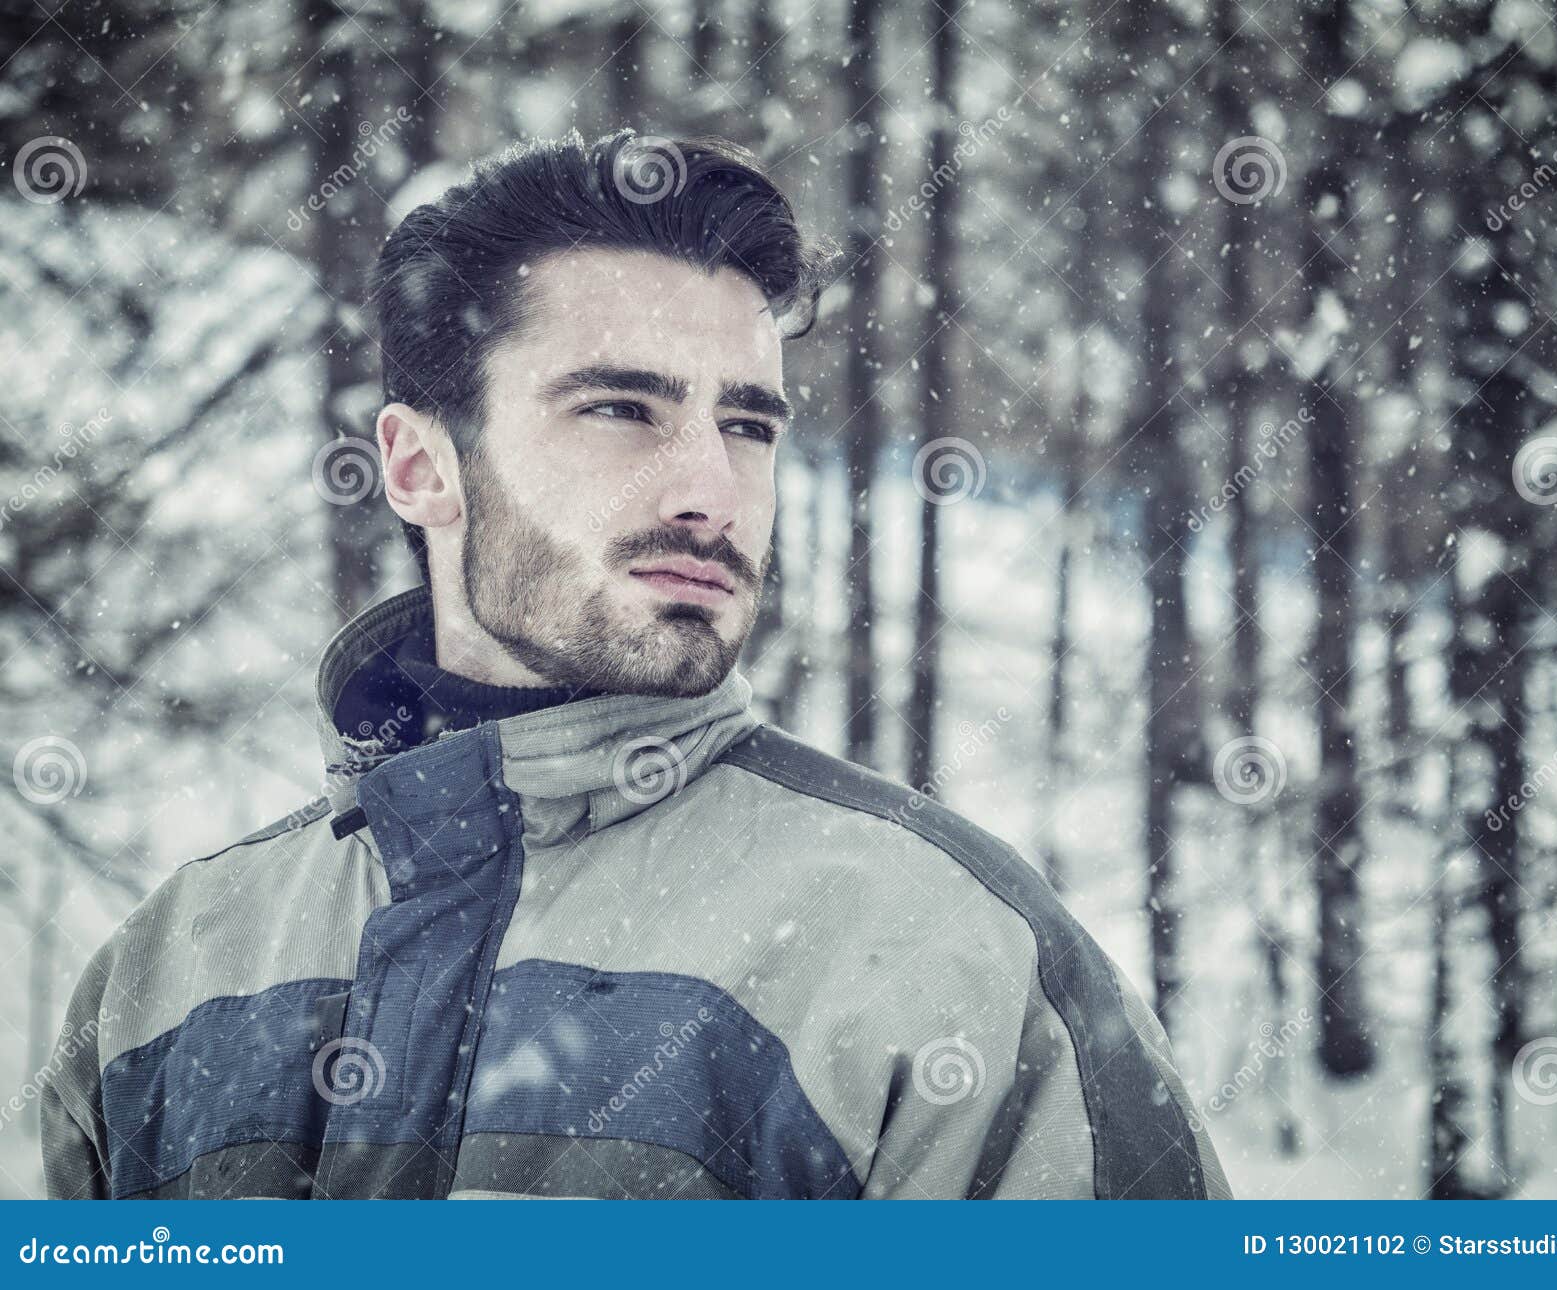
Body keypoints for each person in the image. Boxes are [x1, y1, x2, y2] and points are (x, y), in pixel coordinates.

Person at [41, 130, 1230, 1200]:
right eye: (621, 409)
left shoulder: (941, 955)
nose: (712, 492)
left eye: (749, 427)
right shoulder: (174, 968)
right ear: (417, 466)